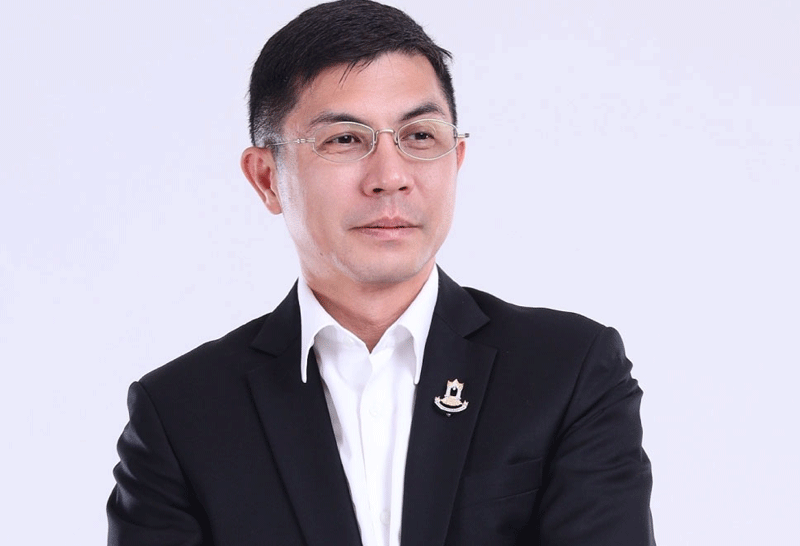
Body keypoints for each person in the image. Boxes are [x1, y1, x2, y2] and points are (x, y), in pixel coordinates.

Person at [106, 1, 656, 545]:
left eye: (419, 136)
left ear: (456, 158)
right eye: (344, 139)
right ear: (267, 178)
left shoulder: (567, 371)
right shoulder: (181, 414)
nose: (390, 177)